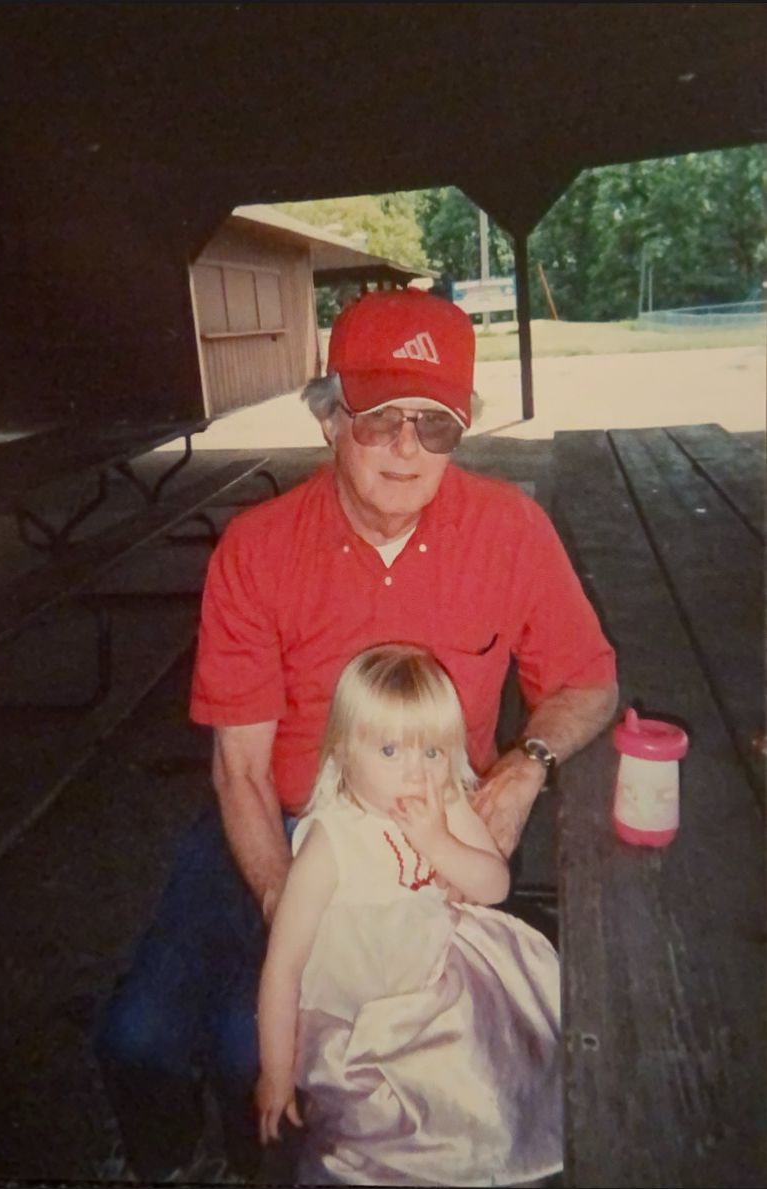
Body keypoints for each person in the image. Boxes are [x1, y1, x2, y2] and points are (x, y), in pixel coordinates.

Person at [95, 286, 617, 1182]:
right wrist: (284, 902)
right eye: (379, 419)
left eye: (434, 423)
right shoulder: (256, 548)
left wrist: (521, 770)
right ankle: (163, 1157)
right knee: (138, 1035)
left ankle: (263, 1155)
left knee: (252, 1047)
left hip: (423, 836)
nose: (407, 447)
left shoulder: (510, 529)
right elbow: (241, 772)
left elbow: (588, 680)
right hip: (282, 818)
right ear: (330, 419)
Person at [256, 643, 562, 1187]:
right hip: (358, 1021)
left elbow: (494, 886)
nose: (416, 773)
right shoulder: (331, 843)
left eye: (432, 752)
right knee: (374, 1141)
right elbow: (283, 966)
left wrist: (439, 841)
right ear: (344, 752)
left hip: (436, 988)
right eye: (390, 750)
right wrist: (276, 1073)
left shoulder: (444, 805)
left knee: (479, 1094)